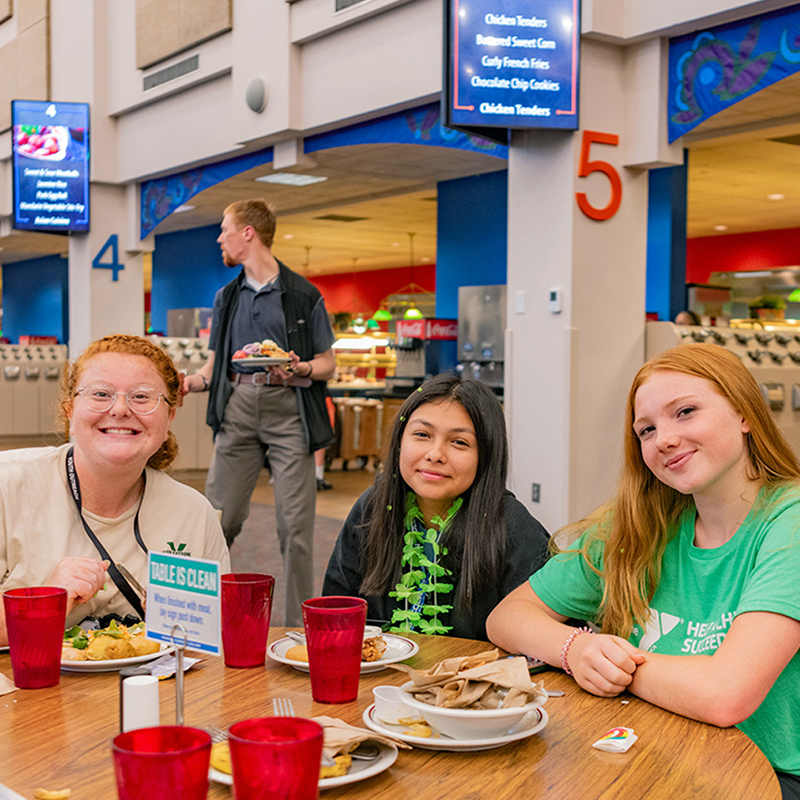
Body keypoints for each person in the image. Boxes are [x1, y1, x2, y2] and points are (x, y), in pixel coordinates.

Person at [486, 343, 800, 797]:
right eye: (646, 430)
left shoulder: (788, 523)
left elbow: (724, 695)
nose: (664, 439)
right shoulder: (641, 523)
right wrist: (576, 649)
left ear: (745, 411)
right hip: (654, 753)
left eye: (686, 412)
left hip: (770, 778)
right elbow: (508, 617)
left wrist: (616, 666)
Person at [0, 334, 230, 646]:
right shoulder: (8, 485)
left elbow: (215, 641)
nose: (120, 409)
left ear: (170, 416)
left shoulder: (193, 514)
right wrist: (45, 603)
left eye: (141, 397)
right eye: (100, 394)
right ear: (70, 410)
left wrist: (188, 625)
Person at [183, 199, 335, 626]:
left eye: (224, 229)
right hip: (238, 407)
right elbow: (216, 366)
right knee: (219, 519)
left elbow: (327, 363)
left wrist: (299, 366)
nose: (220, 238)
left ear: (248, 233)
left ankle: (298, 628)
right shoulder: (226, 297)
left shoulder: (304, 294)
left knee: (296, 527)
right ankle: (202, 618)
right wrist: (189, 382)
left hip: (289, 410)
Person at [323, 373, 550, 641]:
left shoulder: (514, 527)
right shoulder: (374, 507)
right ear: (400, 441)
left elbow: (547, 635)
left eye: (459, 442)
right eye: (422, 434)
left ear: (486, 455)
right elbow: (335, 613)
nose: (434, 454)